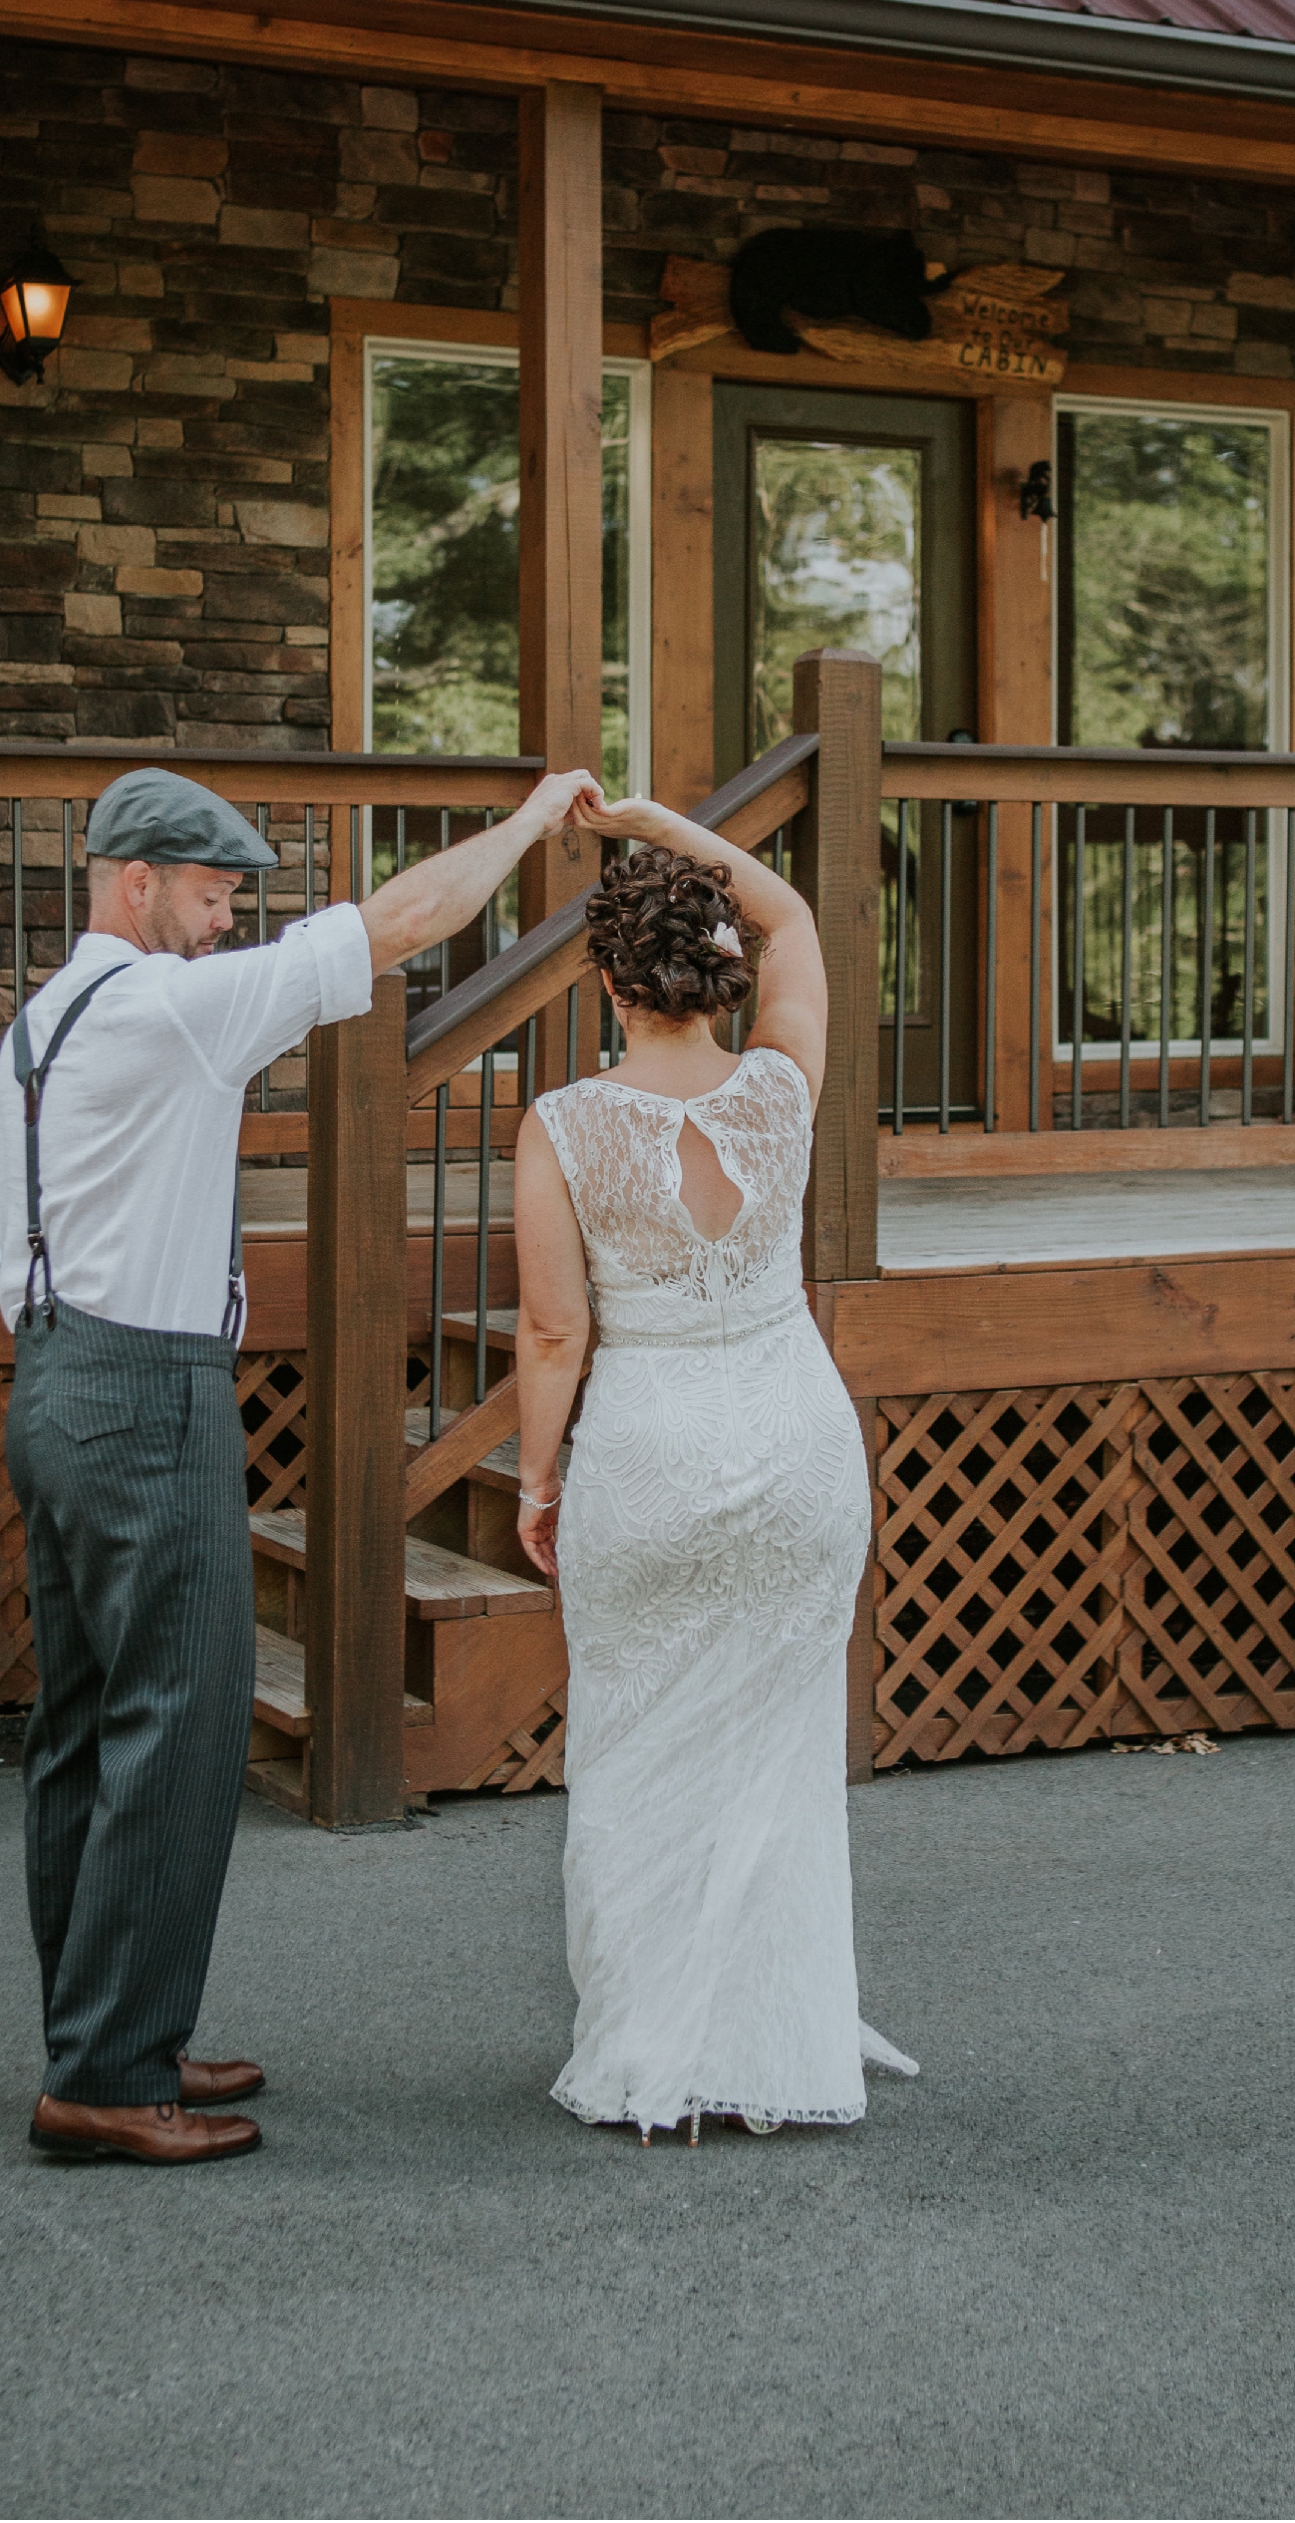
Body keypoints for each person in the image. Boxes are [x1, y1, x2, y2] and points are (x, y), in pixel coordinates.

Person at [0, 759, 596, 2167]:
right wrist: (524, 820)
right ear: (135, 880)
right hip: (145, 1399)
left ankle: (109, 2034)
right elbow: (393, 924)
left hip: (56, 1380)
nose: (224, 923)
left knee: (84, 1727)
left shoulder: (43, 1018)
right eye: (209, 896)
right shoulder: (166, 1005)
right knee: (181, 1725)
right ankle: (104, 2075)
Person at [512, 791, 917, 2143]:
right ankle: (780, 2043)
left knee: (638, 1748)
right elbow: (792, 908)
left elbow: (556, 1328)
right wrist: (656, 822)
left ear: (610, 979)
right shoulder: (780, 1086)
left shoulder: (565, 1127)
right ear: (721, 967)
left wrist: (532, 1478)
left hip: (656, 1447)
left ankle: (656, 2051)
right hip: (799, 1442)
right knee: (780, 1754)